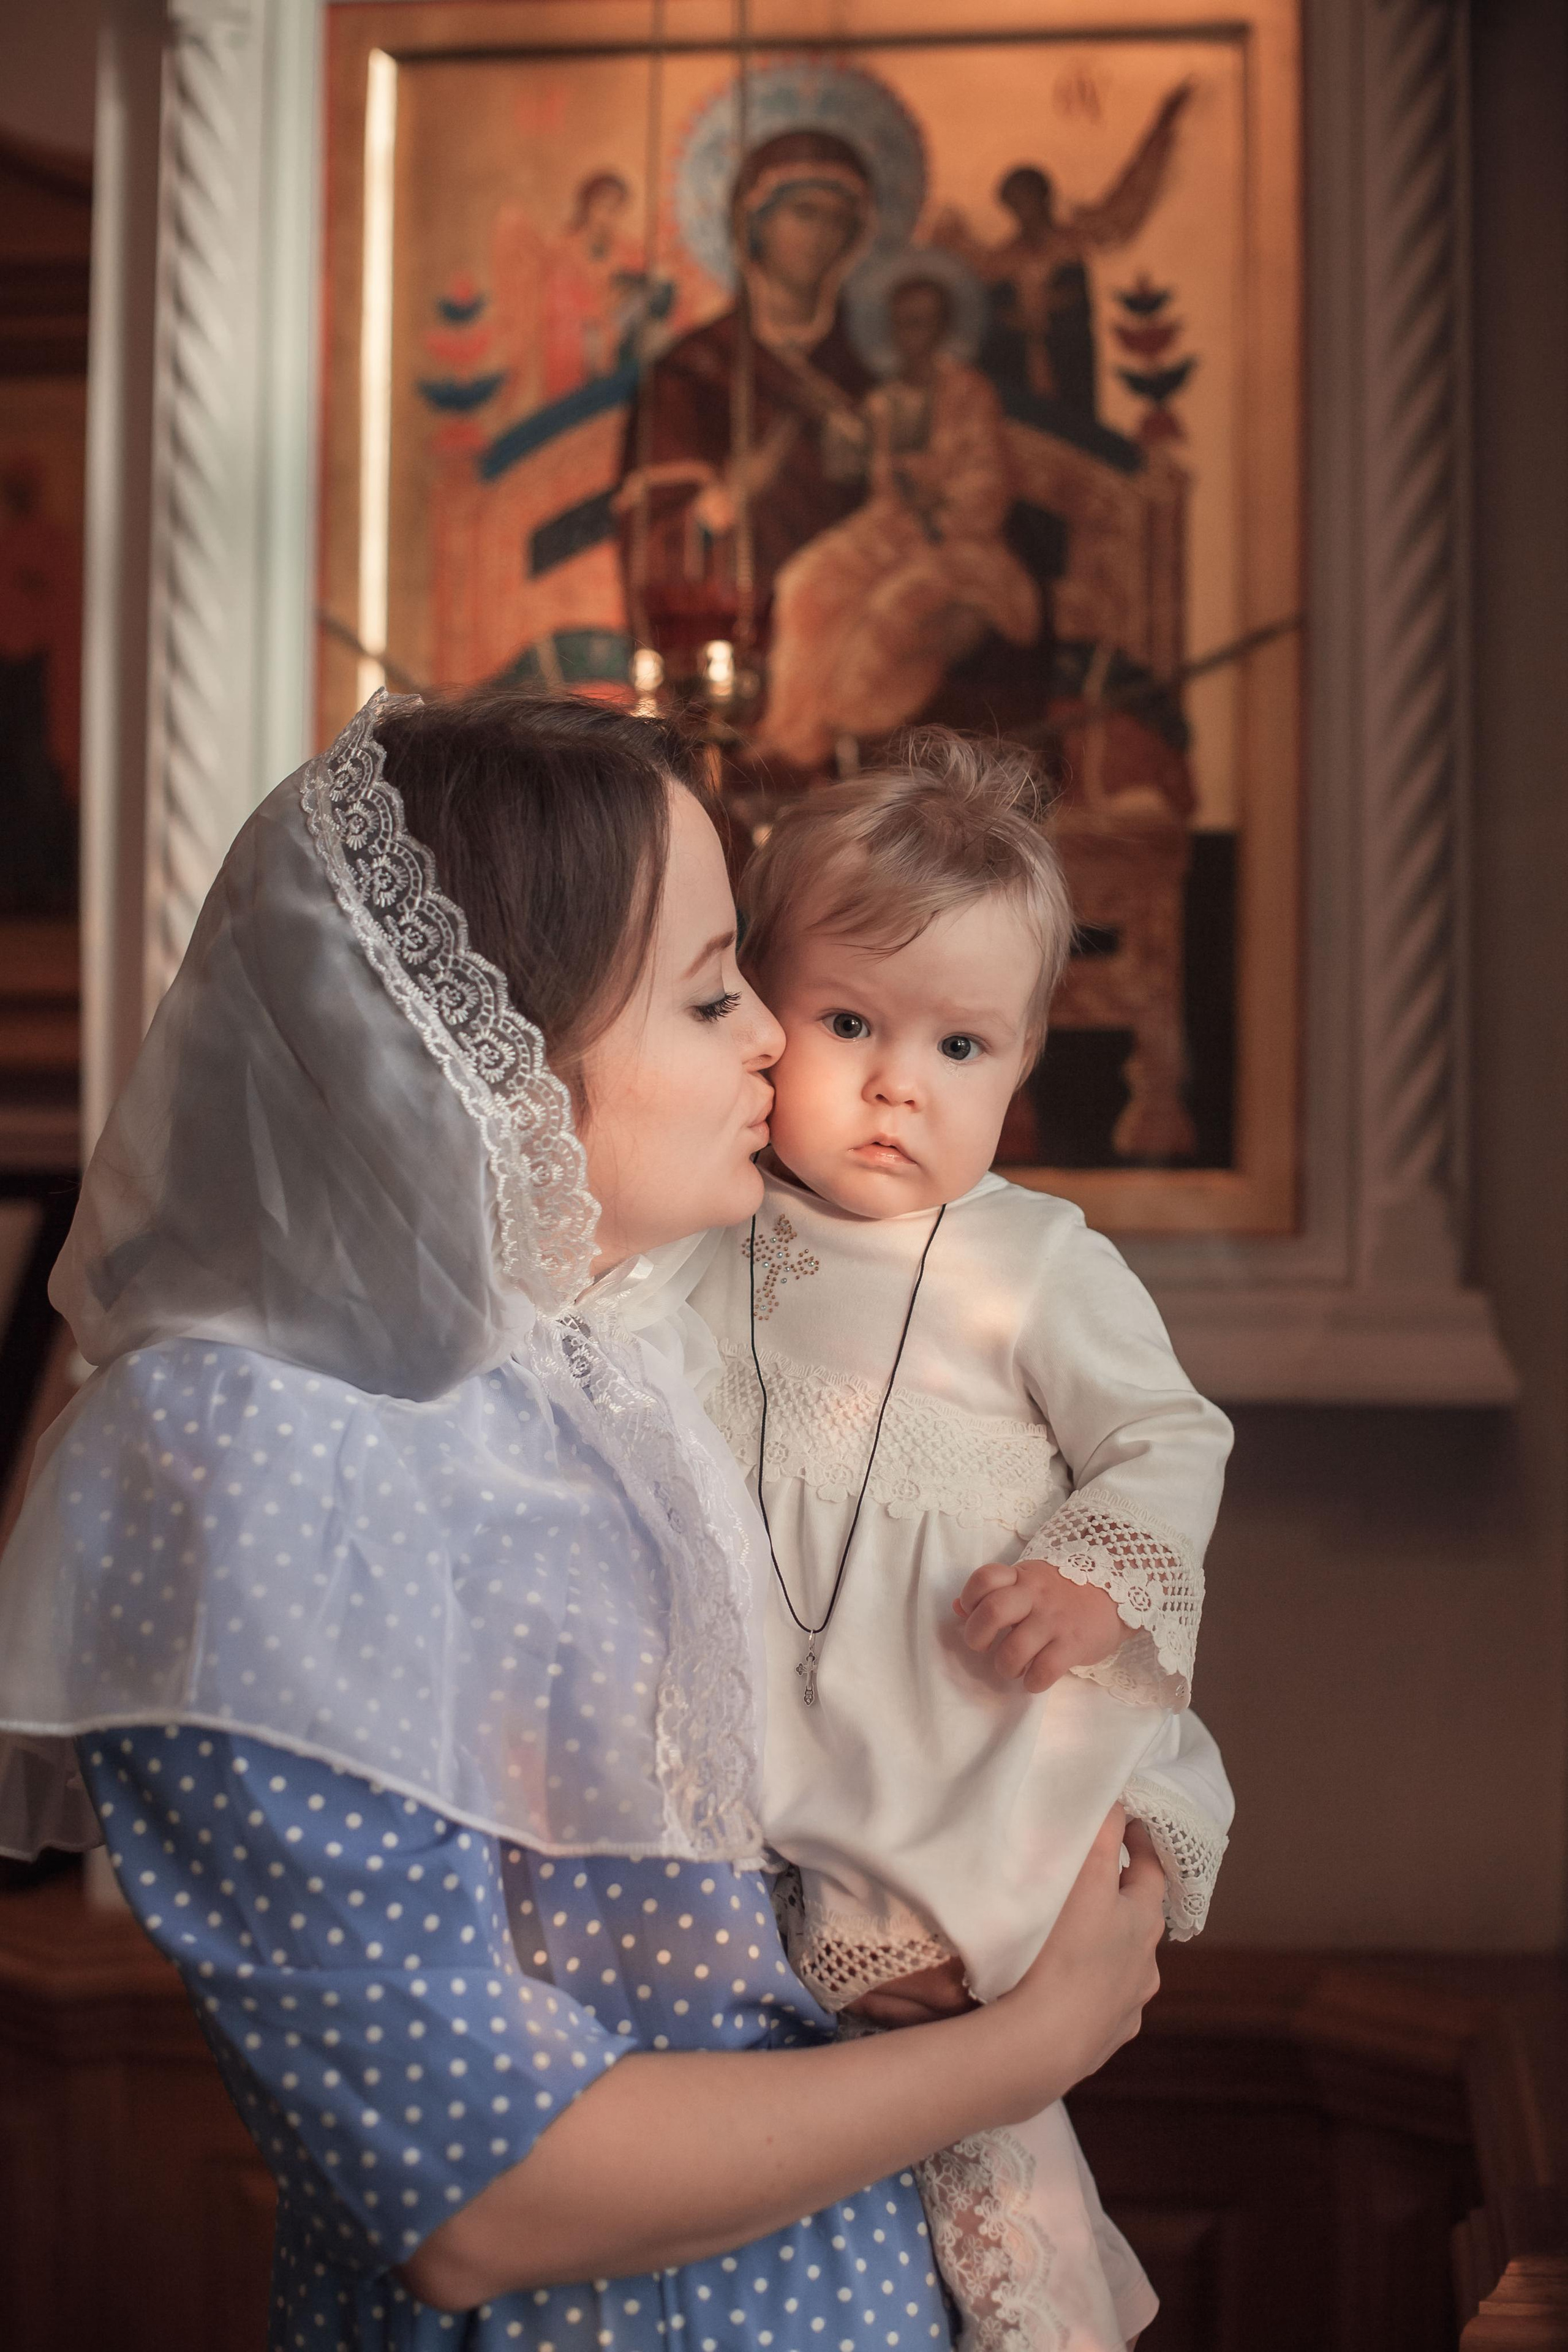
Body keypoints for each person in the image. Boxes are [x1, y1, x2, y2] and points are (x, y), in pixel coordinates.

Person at [0, 688, 1166, 2351]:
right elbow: (480, 2194)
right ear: (488, 1052)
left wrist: (910, 1908)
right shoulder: (246, 1451)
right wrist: (1023, 2043)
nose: (775, 1035)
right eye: (708, 995)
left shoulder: (603, 1368)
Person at [654, 731, 1234, 2350]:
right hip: (811, 1767)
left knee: (976, 2098)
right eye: (850, 1022)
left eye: (961, 1045)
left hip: (977, 1743)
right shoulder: (705, 1238)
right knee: (885, 2124)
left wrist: (1092, 1574)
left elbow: (1170, 1435)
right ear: (762, 1013)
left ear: (1024, 1059)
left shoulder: (1033, 1261)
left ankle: (1047, 2308)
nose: (901, 1081)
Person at [755, 271, 1041, 772]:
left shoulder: (968, 393)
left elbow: (989, 481)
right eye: (904, 324)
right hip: (887, 531)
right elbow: (863, 480)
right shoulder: (881, 404)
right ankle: (791, 736)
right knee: (803, 583)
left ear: (942, 329)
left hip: (960, 540)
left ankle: (852, 740)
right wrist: (839, 436)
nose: (914, 336)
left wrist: (939, 504)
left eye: (925, 323)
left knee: (889, 608)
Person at [617, 129, 878, 669]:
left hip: (851, 641)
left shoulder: (864, 383)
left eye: (838, 219)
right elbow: (653, 529)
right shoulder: (693, 371)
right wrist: (729, 497)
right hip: (736, 652)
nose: (821, 235)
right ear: (754, 224)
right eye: (803, 213)